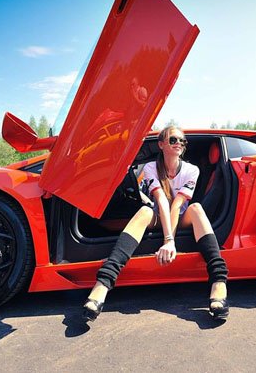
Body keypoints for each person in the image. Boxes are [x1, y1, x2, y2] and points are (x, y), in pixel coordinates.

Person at [83, 126, 229, 322]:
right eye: (173, 140)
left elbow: (177, 205)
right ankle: (102, 284)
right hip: (158, 215)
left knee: (196, 208)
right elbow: (160, 201)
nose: (179, 144)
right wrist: (168, 239)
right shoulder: (151, 167)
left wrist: (170, 241)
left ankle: (219, 281)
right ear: (161, 144)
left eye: (182, 141)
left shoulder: (191, 170)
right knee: (144, 210)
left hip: (181, 217)